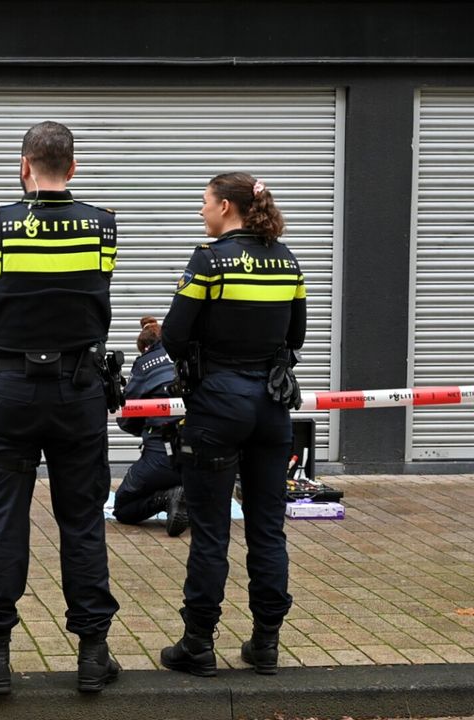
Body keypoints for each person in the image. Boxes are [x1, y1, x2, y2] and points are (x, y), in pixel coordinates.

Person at [0, 121, 121, 695]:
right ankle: (94, 656)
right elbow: (98, 279)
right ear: (72, 167)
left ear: (24, 166)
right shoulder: (103, 225)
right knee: (82, 522)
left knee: (4, 521)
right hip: (78, 392)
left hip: (7, 390)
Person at [159, 172, 305, 677]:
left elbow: (175, 336)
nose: (201, 211)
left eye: (204, 203)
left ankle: (197, 644)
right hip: (271, 407)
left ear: (225, 206)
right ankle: (265, 644)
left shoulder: (209, 259)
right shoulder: (286, 260)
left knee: (211, 533)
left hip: (218, 406)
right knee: (268, 530)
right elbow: (297, 333)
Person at [113, 316, 188, 536]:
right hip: (200, 456)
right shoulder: (190, 355)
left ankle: (166, 498)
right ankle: (187, 501)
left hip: (161, 455)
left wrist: (142, 428)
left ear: (145, 346)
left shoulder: (145, 364)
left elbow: (127, 414)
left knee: (123, 508)